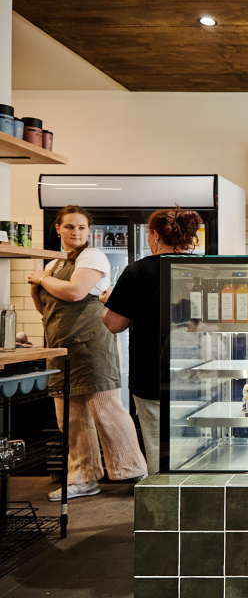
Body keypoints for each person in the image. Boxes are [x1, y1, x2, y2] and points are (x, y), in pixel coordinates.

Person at [27, 205, 147, 500]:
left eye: (81, 227)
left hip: (92, 346)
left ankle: (136, 472)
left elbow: (75, 292)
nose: (76, 232)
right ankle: (83, 477)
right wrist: (39, 287)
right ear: (58, 228)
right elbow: (48, 310)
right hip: (60, 347)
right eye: (69, 226)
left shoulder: (91, 256)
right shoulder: (54, 265)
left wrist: (40, 280)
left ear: (89, 231)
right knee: (70, 417)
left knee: (106, 410)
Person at [100, 207, 203, 474]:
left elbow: (114, 324)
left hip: (151, 374)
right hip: (198, 374)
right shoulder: (203, 270)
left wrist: (108, 301)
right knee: (200, 444)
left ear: (155, 235)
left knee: (159, 447)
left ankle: (164, 497)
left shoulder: (137, 271)